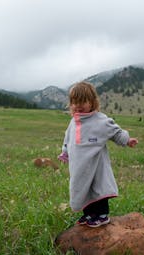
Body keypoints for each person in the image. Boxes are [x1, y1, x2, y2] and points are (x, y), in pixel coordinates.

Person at [58, 82, 138, 227]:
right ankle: (88, 214)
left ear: (92, 102)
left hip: (96, 165)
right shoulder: (73, 122)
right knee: (82, 188)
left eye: (83, 101)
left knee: (97, 187)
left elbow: (115, 132)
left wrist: (127, 140)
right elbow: (68, 138)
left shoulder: (100, 120)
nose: (78, 105)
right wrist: (65, 152)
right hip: (79, 166)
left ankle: (102, 215)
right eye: (74, 102)